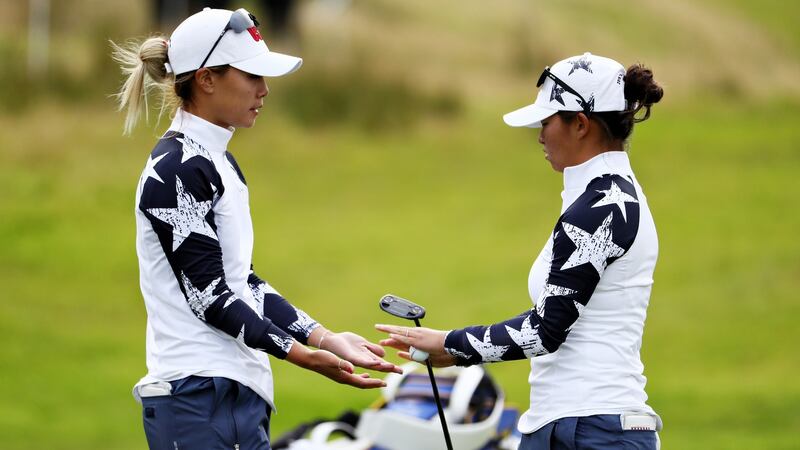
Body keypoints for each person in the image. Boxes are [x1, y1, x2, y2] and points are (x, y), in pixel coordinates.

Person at [112, 7, 401, 450]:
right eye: (251, 76)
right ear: (206, 79)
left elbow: (241, 281)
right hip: (197, 399)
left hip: (230, 395)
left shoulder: (218, 163)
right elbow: (211, 297)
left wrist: (325, 338)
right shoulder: (175, 170)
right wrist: (303, 356)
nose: (264, 90)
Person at [376, 52, 664, 449]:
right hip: (573, 423)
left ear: (580, 124)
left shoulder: (603, 205)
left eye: (546, 122)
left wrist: (451, 345)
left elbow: (546, 330)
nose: (540, 136)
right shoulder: (600, 195)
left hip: (592, 430)